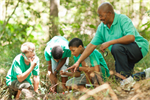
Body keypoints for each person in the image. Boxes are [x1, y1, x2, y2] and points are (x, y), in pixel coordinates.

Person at [67, 2, 149, 78]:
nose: (100, 18)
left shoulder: (123, 19)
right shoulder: (102, 28)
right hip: (123, 53)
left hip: (139, 47)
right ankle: (144, 74)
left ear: (109, 13)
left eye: (101, 16)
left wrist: (110, 42)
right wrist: (78, 62)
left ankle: (123, 80)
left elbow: (131, 37)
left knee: (116, 48)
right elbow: (91, 46)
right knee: (124, 77)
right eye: (98, 16)